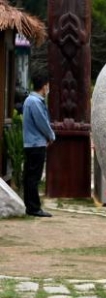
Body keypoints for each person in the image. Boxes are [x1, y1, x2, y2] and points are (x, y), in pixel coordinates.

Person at [22, 73, 55, 218]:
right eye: (47, 85)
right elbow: (42, 122)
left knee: (30, 176)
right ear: (43, 86)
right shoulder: (35, 101)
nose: (48, 88)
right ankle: (34, 208)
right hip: (36, 143)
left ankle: (31, 206)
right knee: (33, 177)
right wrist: (51, 136)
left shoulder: (32, 100)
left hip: (32, 143)